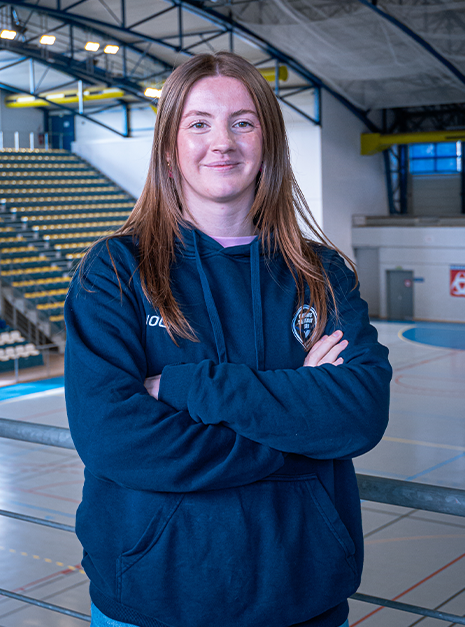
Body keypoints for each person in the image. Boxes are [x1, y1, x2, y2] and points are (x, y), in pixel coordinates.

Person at [64, 51, 392, 627]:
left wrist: (189, 387)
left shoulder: (321, 274)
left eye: (243, 122)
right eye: (199, 123)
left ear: (269, 143)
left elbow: (361, 413)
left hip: (303, 597)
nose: (222, 142)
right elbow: (115, 437)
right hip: (152, 600)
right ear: (170, 148)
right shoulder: (115, 271)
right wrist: (299, 425)